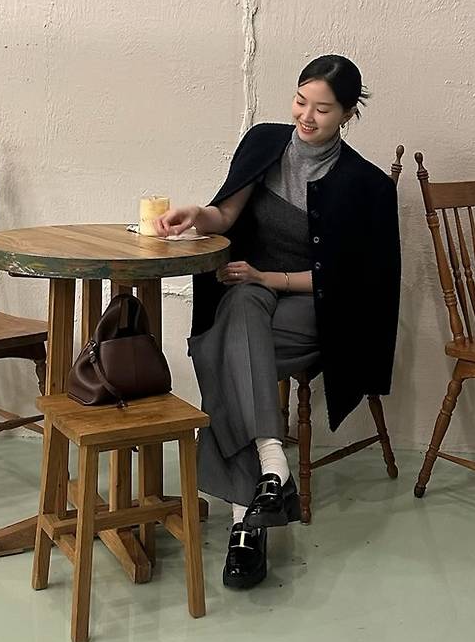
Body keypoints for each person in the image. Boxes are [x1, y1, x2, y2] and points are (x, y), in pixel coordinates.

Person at [154, 54, 401, 589]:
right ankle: (272, 467)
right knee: (239, 309)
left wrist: (269, 277)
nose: (306, 117)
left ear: (349, 114)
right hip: (254, 299)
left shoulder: (366, 185)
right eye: (300, 101)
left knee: (221, 350)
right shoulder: (265, 143)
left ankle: (245, 525)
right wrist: (197, 214)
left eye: (323, 109)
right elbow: (226, 215)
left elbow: (350, 281)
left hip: (319, 308)